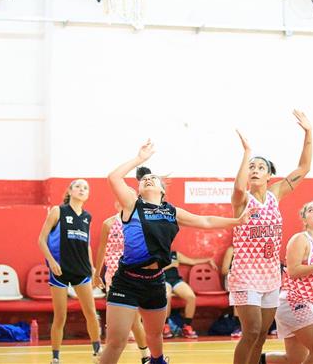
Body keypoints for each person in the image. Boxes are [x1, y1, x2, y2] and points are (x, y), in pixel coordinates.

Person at [99, 140, 256, 364]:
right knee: (117, 342)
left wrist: (237, 221)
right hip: (126, 281)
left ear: (162, 190)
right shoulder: (132, 204)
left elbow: (206, 220)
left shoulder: (172, 211)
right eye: (143, 179)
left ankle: (158, 361)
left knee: (155, 336)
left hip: (154, 281)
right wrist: (140, 159)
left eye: (152, 178)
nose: (147, 179)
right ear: (139, 189)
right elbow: (113, 177)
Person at [229, 110, 313, 364]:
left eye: (260, 167)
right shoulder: (242, 200)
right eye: (251, 167)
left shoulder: (276, 194)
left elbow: (304, 167)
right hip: (245, 275)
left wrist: (309, 132)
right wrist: (247, 153)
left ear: (269, 176)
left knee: (262, 335)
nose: (255, 170)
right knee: (251, 330)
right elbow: (237, 187)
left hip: (270, 276)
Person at [261, 201, 313, 364]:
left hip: (299, 302)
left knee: (293, 359)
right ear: (304, 220)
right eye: (311, 210)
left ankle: (254, 360)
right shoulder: (300, 239)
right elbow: (293, 271)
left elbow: (312, 277)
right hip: (293, 302)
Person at [38, 179, 102, 364]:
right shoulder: (58, 211)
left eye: (85, 188)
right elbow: (41, 240)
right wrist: (51, 262)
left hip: (81, 270)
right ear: (70, 191)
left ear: (88, 194)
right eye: (78, 186)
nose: (82, 189)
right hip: (59, 270)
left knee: (91, 313)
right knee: (60, 316)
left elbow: (87, 245)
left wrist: (92, 267)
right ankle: (56, 357)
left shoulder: (87, 217)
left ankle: (97, 351)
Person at [94, 182, 152, 364]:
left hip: (136, 278)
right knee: (123, 322)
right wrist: (97, 274)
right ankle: (145, 356)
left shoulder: (142, 222)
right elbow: (102, 249)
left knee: (134, 321)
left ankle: (147, 355)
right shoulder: (109, 223)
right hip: (114, 278)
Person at [163, 250, 217, 339]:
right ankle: (165, 326)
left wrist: (208, 260)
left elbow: (192, 261)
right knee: (167, 296)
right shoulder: (157, 253)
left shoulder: (174, 254)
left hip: (176, 281)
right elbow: (152, 269)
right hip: (163, 280)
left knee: (191, 297)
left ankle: (187, 327)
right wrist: (170, 265)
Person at [221, 246, 242, 338]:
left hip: (251, 280)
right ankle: (238, 326)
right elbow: (224, 270)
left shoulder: (254, 250)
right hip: (234, 279)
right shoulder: (232, 250)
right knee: (240, 289)